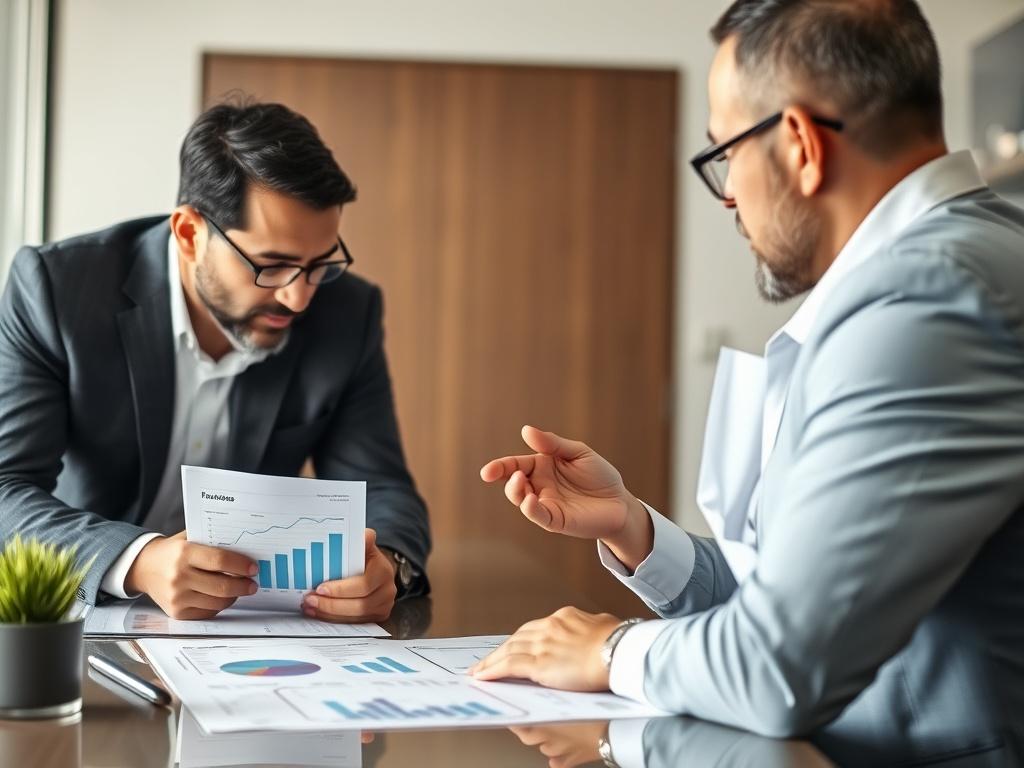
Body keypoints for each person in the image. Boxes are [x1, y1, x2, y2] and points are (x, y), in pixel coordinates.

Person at [471, 0, 1024, 751]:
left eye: (725, 152)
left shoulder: (926, 302)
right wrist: (633, 529)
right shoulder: (953, 268)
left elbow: (779, 667)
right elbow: (803, 607)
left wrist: (608, 651)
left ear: (798, 143)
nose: (728, 193)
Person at [0, 101, 430, 622]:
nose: (300, 299)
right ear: (188, 233)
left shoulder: (347, 312)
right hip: (81, 622)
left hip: (256, 630)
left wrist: (386, 563)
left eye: (320, 264)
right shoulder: (57, 291)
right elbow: (6, 489)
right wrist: (138, 561)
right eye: (272, 266)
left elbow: (382, 487)